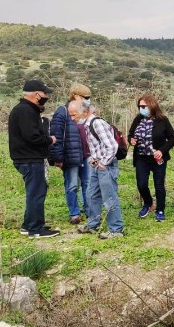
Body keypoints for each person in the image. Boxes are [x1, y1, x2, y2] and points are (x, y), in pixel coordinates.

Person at [9, 80, 59, 238]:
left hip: (26, 157)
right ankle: (36, 229)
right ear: (37, 95)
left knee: (34, 192)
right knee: (37, 193)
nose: (46, 96)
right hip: (30, 158)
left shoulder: (25, 109)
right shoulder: (26, 111)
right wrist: (50, 140)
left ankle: (28, 224)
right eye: (45, 93)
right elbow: (32, 136)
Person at [69, 99, 124, 239]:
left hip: (105, 166)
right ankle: (93, 224)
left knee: (109, 197)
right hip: (96, 165)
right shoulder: (88, 125)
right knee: (92, 194)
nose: (72, 118)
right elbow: (98, 146)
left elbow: (112, 146)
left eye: (74, 115)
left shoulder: (97, 123)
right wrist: (93, 159)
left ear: (85, 112)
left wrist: (104, 163)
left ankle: (116, 229)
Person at [127, 94, 174, 222]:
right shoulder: (138, 119)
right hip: (141, 158)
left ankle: (160, 210)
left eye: (144, 106)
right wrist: (131, 140)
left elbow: (172, 138)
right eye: (140, 106)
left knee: (159, 185)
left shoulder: (163, 120)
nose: (141, 108)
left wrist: (162, 150)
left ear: (152, 105)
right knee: (141, 184)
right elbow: (131, 135)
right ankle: (148, 203)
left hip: (157, 158)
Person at [49, 83, 91, 225]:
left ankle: (89, 209)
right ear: (76, 96)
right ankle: (74, 212)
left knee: (87, 183)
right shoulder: (63, 112)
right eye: (86, 97)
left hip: (86, 154)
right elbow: (56, 136)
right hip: (71, 155)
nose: (88, 100)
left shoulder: (86, 112)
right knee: (72, 185)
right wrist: (58, 157)